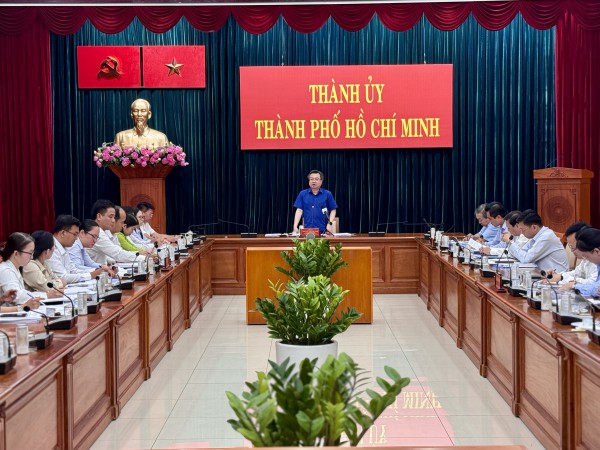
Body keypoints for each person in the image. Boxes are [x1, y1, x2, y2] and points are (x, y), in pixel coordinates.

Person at [47, 214, 103, 284]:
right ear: (63, 233)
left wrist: (97, 271)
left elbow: (74, 270)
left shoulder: (64, 248)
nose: (76, 238)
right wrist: (91, 275)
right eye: (75, 234)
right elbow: (62, 277)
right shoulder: (51, 248)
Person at [87, 199, 144, 265]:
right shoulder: (97, 233)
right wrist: (144, 258)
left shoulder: (107, 232)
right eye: (110, 217)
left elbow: (116, 253)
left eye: (114, 217)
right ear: (99, 216)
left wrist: (139, 254)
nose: (113, 220)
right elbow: (118, 254)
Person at [544, 221, 597, 290]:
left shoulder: (595, 257)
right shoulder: (586, 258)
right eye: (570, 247)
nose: (572, 251)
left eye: (573, 248)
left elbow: (593, 283)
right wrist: (559, 275)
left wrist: (563, 278)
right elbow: (576, 273)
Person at [0, 232, 42, 310]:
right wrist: (46, 296)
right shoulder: (6, 270)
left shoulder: (14, 267)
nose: (32, 257)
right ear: (16, 253)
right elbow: (18, 296)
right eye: (30, 253)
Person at [292, 170, 337, 235]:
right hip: (307, 231)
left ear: (321, 181)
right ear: (309, 181)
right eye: (311, 179)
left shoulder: (327, 194)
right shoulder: (302, 194)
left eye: (316, 179)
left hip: (324, 231)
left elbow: (333, 210)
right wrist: (295, 226)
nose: (313, 181)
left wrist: (329, 223)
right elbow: (299, 210)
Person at [22, 230, 64, 295]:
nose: (54, 248)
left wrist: (58, 282)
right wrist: (61, 282)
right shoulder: (29, 265)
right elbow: (47, 287)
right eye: (53, 246)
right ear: (47, 251)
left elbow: (55, 277)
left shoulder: (44, 262)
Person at [572, 227, 600, 297]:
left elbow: (595, 289)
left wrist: (574, 286)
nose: (587, 260)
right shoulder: (598, 264)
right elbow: (596, 287)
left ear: (597, 251)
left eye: (586, 257)